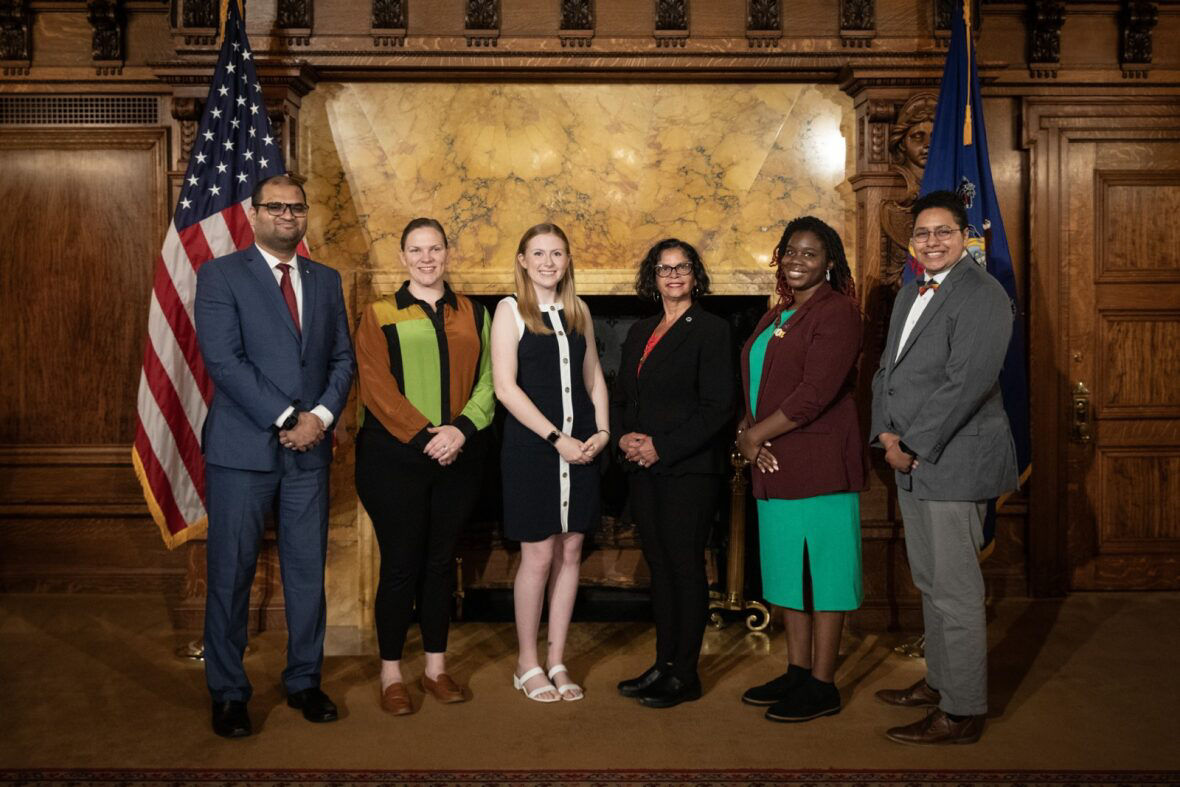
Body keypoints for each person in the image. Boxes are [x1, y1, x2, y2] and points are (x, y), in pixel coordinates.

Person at [194, 174, 355, 738]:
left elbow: (342, 360)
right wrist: (288, 417)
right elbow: (224, 360)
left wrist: (321, 419)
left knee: (307, 573)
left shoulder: (327, 279)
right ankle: (229, 692)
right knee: (231, 575)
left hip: (309, 452)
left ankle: (305, 681)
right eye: (276, 207)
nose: (288, 215)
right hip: (241, 453)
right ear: (254, 214)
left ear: (305, 215)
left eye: (296, 207)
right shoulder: (220, 275)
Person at [870, 190, 1018, 745]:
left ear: (964, 237)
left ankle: (962, 712)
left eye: (943, 232)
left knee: (955, 589)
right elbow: (888, 369)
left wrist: (911, 443)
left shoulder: (982, 294)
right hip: (908, 457)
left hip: (952, 460)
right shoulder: (912, 290)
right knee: (930, 581)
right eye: (923, 234)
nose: (931, 242)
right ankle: (940, 683)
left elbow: (968, 383)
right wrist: (885, 432)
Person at [353, 218, 495, 716]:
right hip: (394, 459)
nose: (427, 258)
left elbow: (491, 381)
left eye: (435, 248)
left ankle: (435, 668)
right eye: (416, 249)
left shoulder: (476, 313)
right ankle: (391, 673)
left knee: (440, 565)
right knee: (400, 566)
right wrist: (423, 436)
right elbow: (374, 385)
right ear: (403, 256)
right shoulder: (379, 313)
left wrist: (460, 430)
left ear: (447, 253)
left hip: (458, 455)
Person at [737, 216, 865, 724]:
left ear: (829, 261)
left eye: (810, 253)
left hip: (819, 461)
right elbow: (754, 383)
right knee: (789, 572)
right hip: (773, 461)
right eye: (790, 251)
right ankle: (795, 670)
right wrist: (747, 434)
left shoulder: (839, 314)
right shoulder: (778, 314)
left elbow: (815, 395)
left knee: (826, 575)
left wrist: (755, 435)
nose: (796, 260)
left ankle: (823, 683)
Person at [609, 239, 734, 708]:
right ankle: (663, 664)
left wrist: (661, 447)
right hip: (643, 469)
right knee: (660, 570)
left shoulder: (712, 330)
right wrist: (623, 437)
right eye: (665, 269)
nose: (674, 275)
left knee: (685, 569)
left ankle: (686, 673)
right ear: (653, 277)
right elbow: (623, 396)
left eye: (682, 267)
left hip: (688, 470)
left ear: (695, 275)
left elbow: (718, 407)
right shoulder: (640, 331)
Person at [491, 223, 611, 703]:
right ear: (522, 260)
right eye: (537, 253)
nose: (547, 262)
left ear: (567, 261)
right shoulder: (509, 311)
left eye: (556, 253)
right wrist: (556, 438)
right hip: (533, 451)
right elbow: (505, 387)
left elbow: (594, 374)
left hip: (582, 449)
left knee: (572, 551)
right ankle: (527, 664)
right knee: (538, 555)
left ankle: (557, 660)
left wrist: (602, 430)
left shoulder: (579, 309)